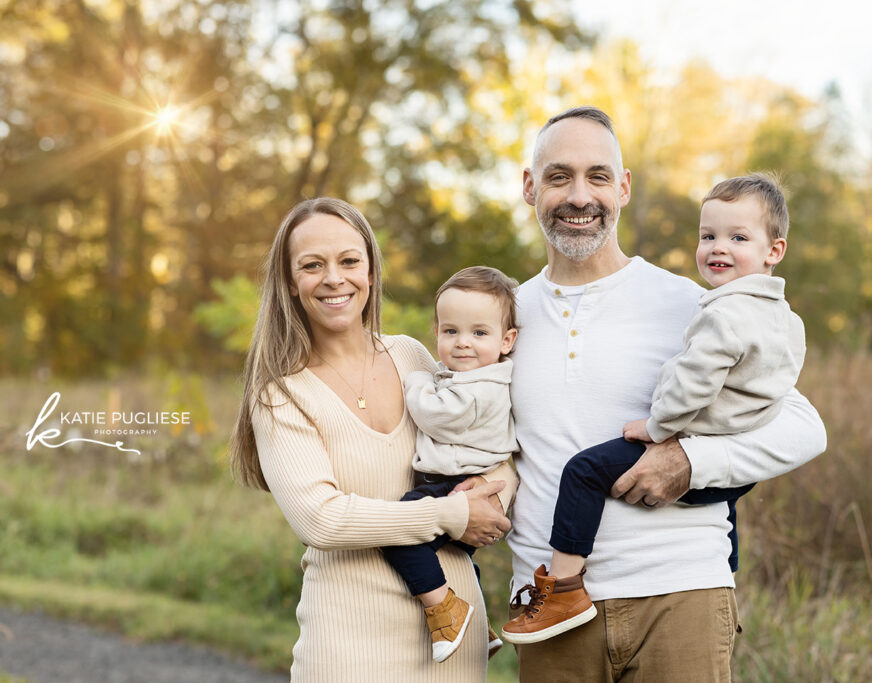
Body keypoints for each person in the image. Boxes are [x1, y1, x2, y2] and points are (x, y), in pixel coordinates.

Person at [496, 106, 827, 681]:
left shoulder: (693, 304)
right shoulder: (502, 318)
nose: (580, 196)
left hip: (680, 595)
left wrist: (691, 461)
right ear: (530, 187)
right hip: (550, 608)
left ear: (622, 188)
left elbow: (802, 427)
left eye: (598, 176)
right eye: (558, 176)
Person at [229, 198, 514, 682]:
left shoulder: (414, 357)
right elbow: (322, 520)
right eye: (312, 265)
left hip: (458, 642)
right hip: (348, 650)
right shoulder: (281, 393)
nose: (334, 278)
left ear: (371, 272)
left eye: (348, 261)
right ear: (291, 284)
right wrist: (450, 514)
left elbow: (489, 435)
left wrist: (498, 486)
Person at [381, 266, 519, 663]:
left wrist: (417, 380)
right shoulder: (467, 377)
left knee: (399, 532)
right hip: (454, 479)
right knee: (454, 559)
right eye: (450, 331)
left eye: (479, 333)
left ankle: (444, 609)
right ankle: (480, 627)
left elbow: (435, 414)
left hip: (454, 483)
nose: (463, 344)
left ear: (506, 340)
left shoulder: (484, 386)